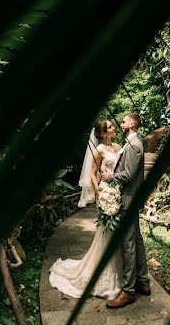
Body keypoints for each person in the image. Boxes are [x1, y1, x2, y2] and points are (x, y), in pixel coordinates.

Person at [49, 119, 124, 299]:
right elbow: (92, 173)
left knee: (118, 233)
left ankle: (123, 274)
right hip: (106, 192)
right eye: (110, 127)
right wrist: (100, 193)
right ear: (104, 133)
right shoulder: (99, 150)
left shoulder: (118, 146)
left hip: (119, 191)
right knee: (106, 234)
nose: (114, 127)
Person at [103, 113, 151, 309]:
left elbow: (129, 174)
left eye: (123, 121)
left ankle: (128, 291)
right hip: (131, 198)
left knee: (128, 243)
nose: (120, 123)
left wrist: (111, 176)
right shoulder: (132, 143)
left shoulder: (133, 145)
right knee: (136, 239)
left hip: (129, 199)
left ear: (131, 123)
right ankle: (143, 281)